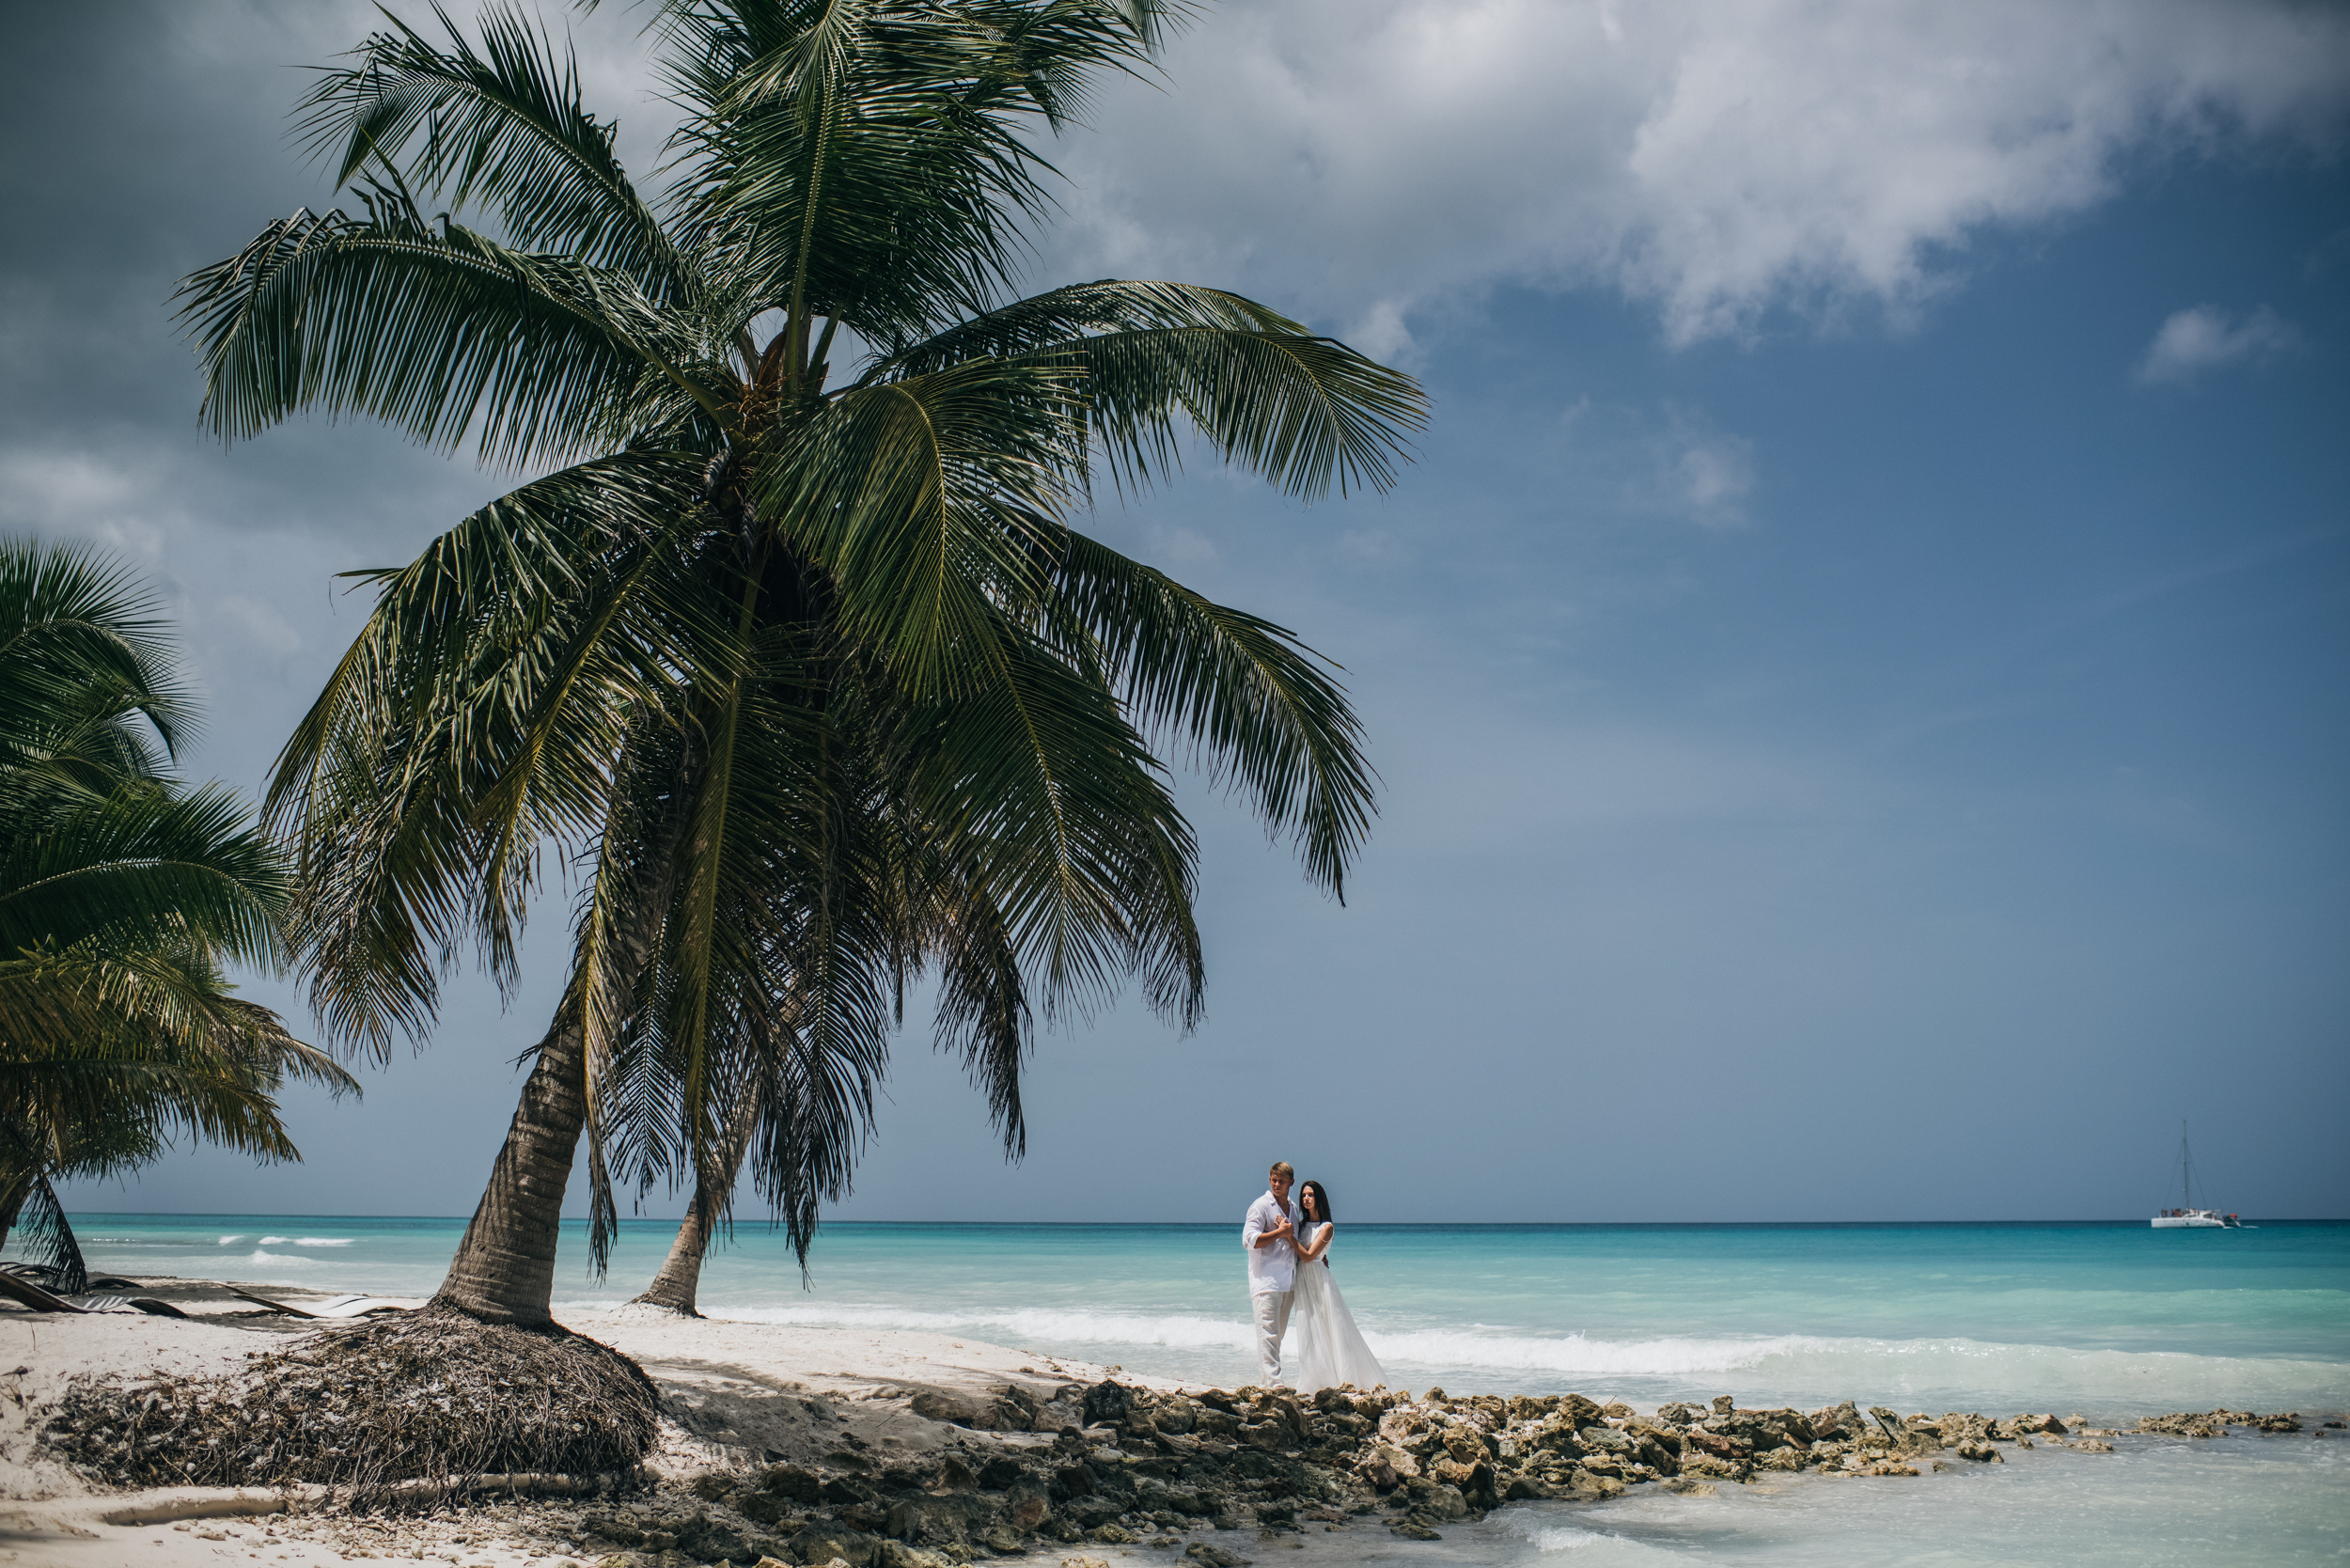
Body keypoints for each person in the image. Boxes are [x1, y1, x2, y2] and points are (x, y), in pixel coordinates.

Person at [1288, 1179, 1386, 1393]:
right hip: (1303, 1280)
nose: (1306, 1198)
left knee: (1328, 1327)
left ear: (1319, 1198)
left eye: (1311, 1195)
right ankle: (1315, 1377)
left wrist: (1288, 1236)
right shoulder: (1302, 1225)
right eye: (1304, 1195)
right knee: (1308, 1328)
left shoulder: (1327, 1228)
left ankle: (1340, 1379)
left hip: (1319, 1281)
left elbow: (1308, 1256)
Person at [1242, 1161, 1300, 1386]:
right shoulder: (1260, 1206)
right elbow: (1249, 1240)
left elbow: (1296, 1240)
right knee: (1268, 1335)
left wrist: (1318, 1255)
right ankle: (1276, 1385)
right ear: (1269, 1180)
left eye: (1281, 1181)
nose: (1277, 1184)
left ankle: (1266, 1383)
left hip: (1288, 1282)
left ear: (1290, 1183)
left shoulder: (1293, 1208)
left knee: (1277, 1336)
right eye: (1274, 1180)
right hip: (1265, 1281)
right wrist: (1279, 1232)